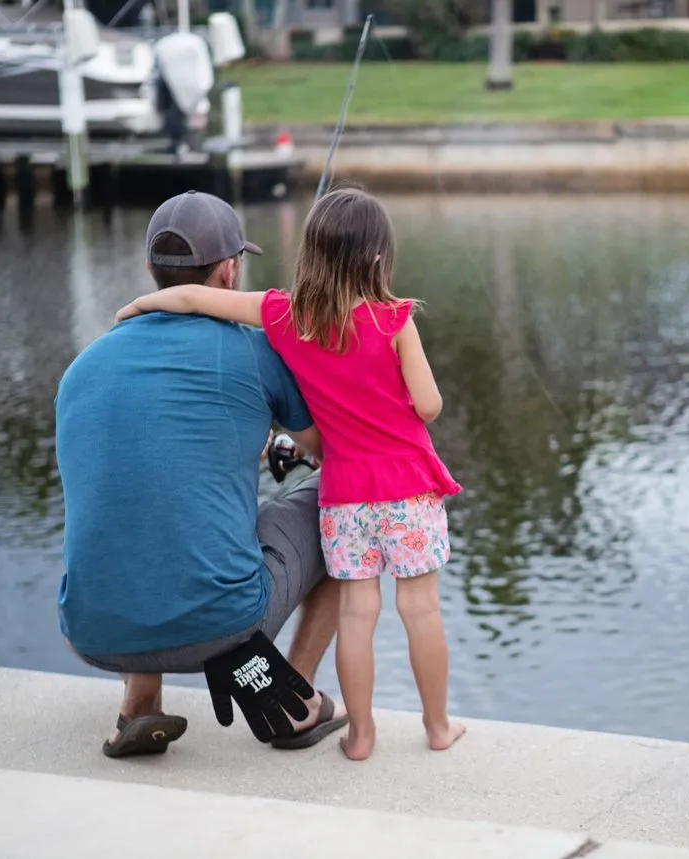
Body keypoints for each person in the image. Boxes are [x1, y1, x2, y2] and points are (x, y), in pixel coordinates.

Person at [113, 186, 465, 762]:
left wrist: (143, 305)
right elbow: (428, 406)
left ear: (311, 255)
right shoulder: (395, 320)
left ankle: (361, 735)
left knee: (357, 611)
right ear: (378, 259)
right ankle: (437, 727)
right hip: (408, 490)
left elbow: (200, 302)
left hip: (344, 494)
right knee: (420, 609)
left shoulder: (284, 315)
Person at [54, 190, 349, 759]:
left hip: (93, 632)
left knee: (133, 512)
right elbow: (332, 452)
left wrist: (247, 446)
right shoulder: (255, 350)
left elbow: (140, 470)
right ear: (230, 270)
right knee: (349, 500)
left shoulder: (84, 366)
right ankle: (295, 700)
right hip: (219, 621)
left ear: (150, 271)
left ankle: (140, 705)